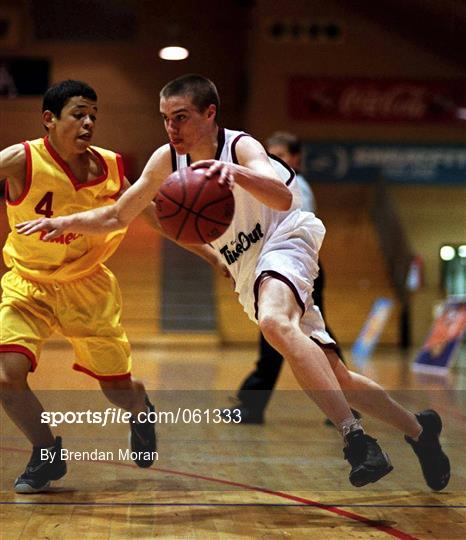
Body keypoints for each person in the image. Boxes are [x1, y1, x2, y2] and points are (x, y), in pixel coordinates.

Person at [17, 74, 451, 491]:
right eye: (166, 118)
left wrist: (237, 175)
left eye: (181, 116)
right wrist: (63, 221)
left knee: (274, 323)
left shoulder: (241, 145)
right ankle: (419, 430)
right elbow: (117, 214)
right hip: (247, 267)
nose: (172, 127)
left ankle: (356, 438)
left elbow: (283, 196)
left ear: (210, 114)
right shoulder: (167, 160)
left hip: (285, 239)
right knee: (337, 376)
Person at [0, 80, 156, 494]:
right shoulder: (21, 160)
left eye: (93, 116)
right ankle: (47, 455)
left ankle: (141, 411)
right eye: (79, 114)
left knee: (118, 391)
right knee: (5, 376)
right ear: (49, 120)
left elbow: (152, 215)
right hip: (28, 284)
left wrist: (213, 255)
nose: (88, 123)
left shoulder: (110, 166)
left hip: (87, 287)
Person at [224, 131, 355, 424]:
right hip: (273, 267)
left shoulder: (297, 188)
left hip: (297, 267)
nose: (273, 161)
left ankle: (253, 404)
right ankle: (345, 397)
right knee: (306, 334)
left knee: (280, 331)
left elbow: (291, 233)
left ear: (295, 159)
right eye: (269, 154)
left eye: (280, 156)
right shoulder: (265, 186)